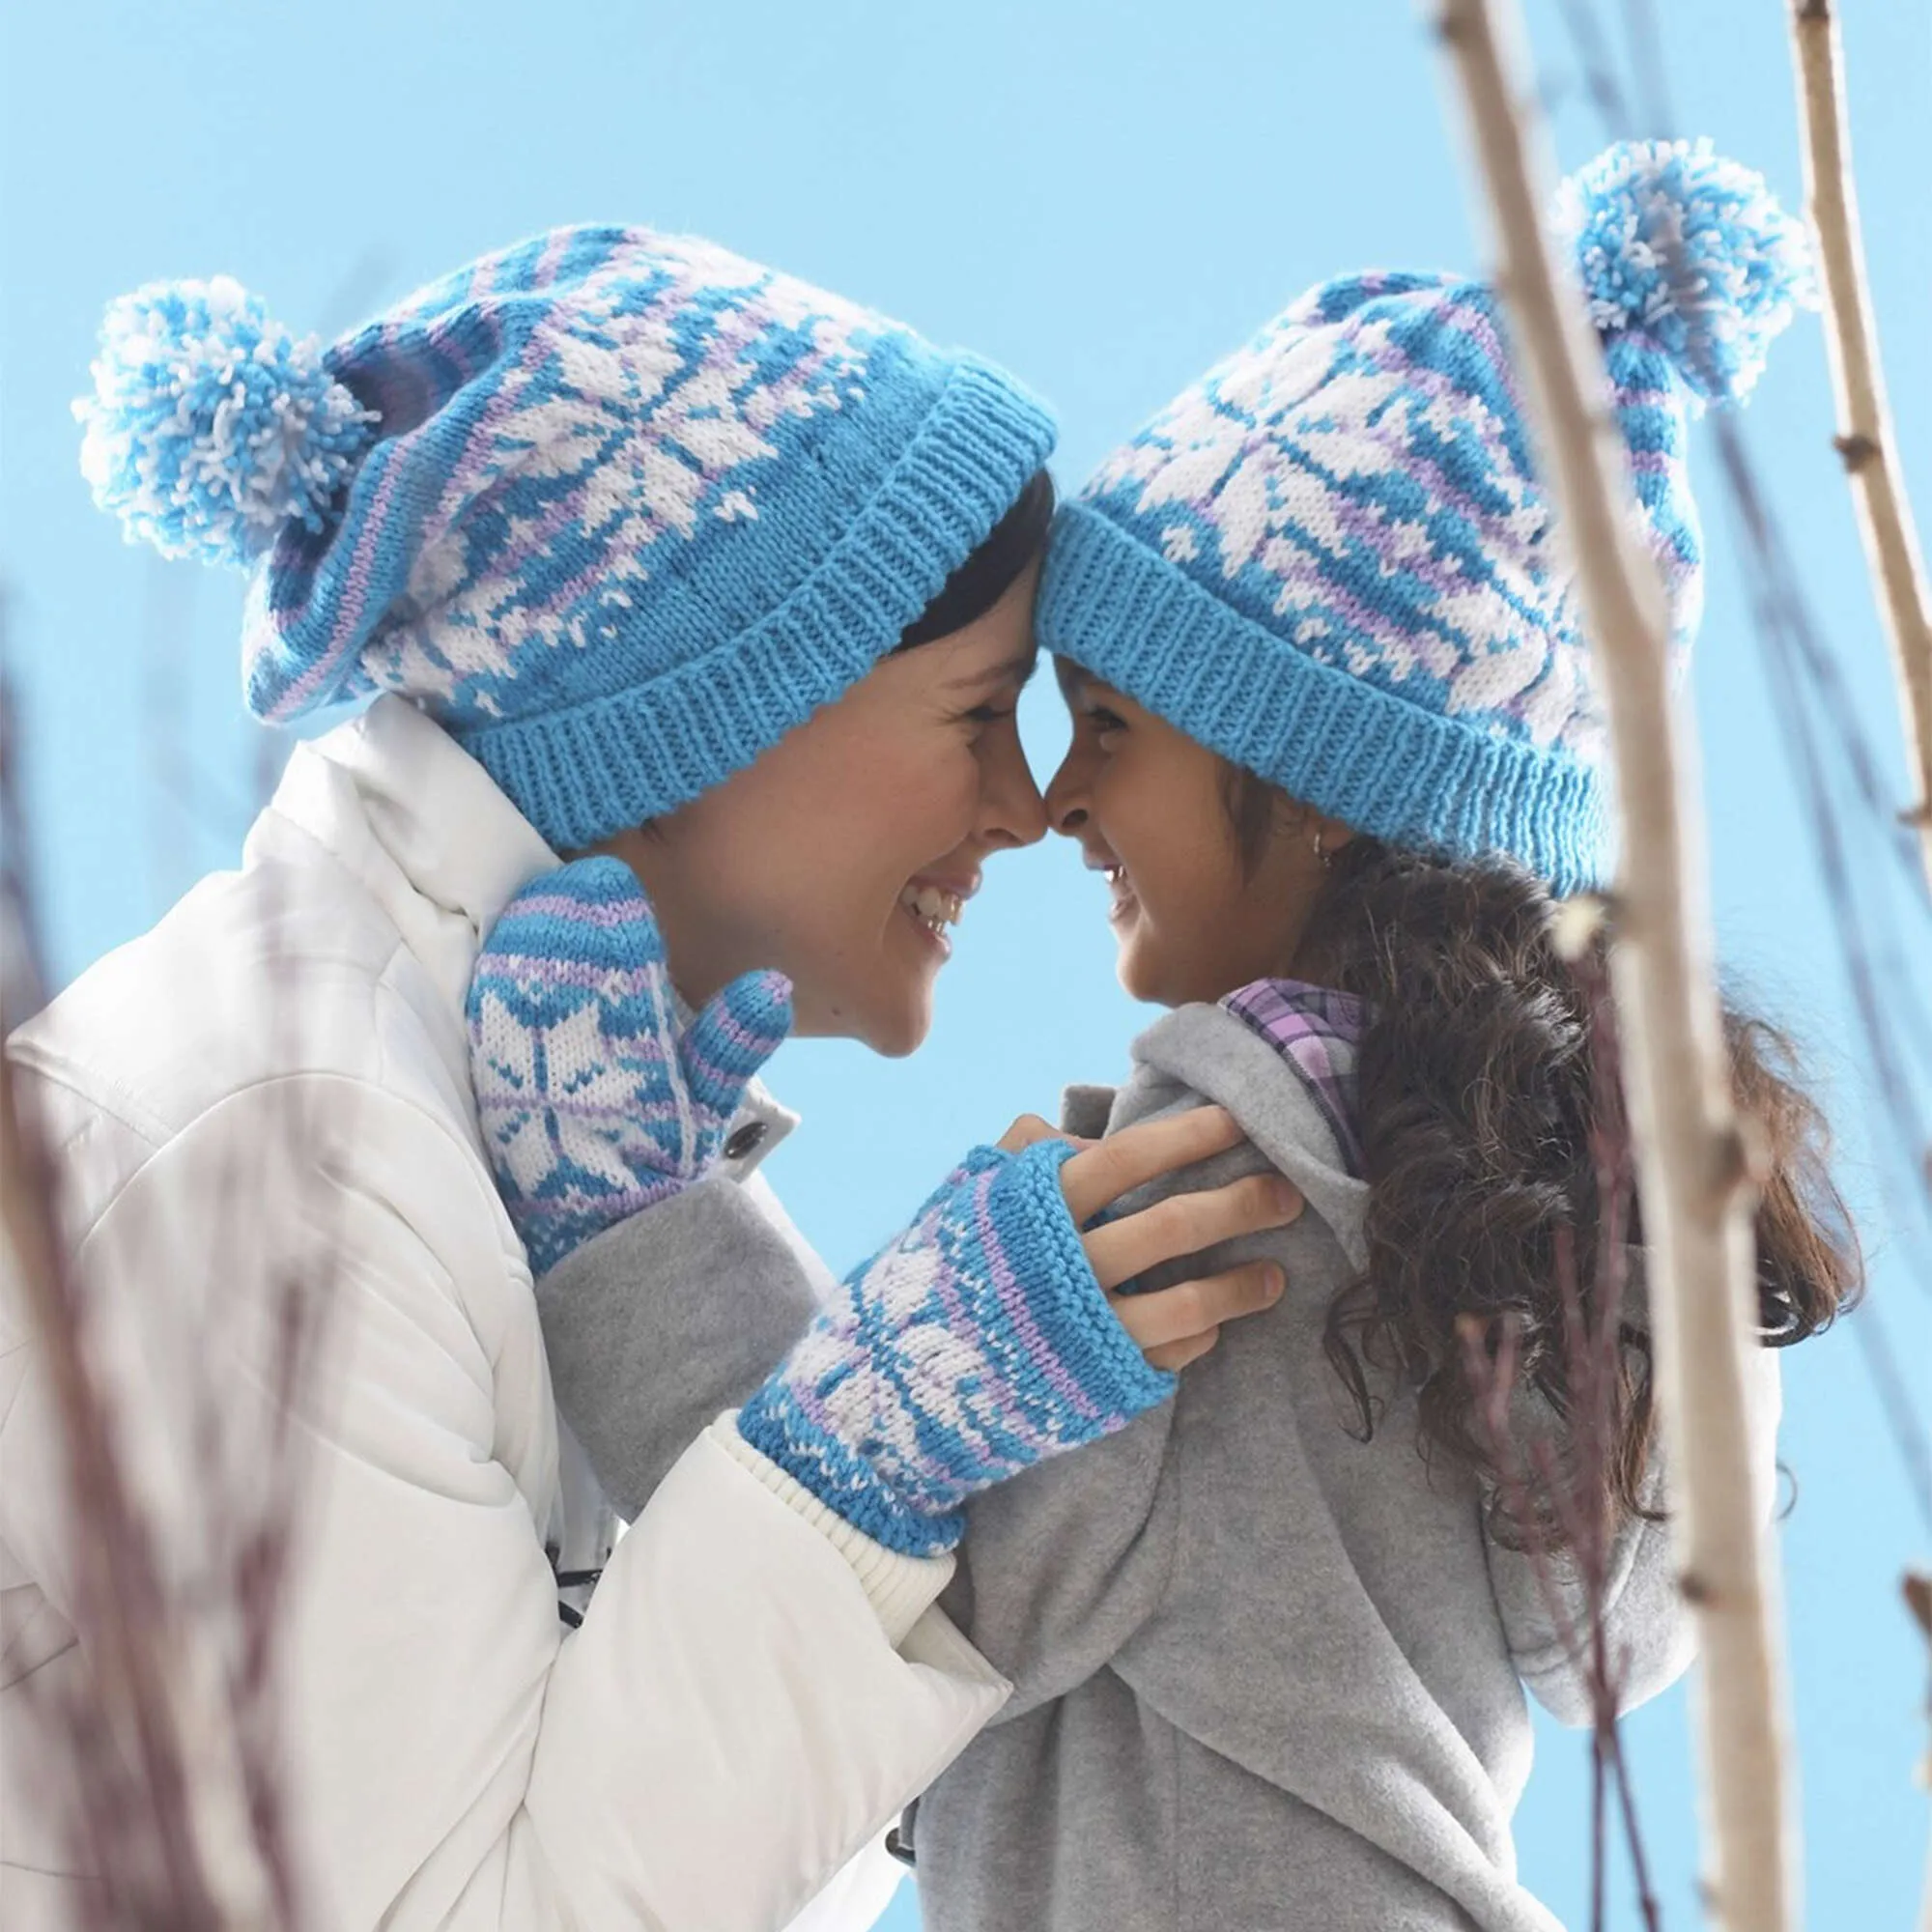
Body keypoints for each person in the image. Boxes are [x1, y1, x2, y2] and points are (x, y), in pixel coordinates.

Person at [0, 226, 1293, 1931]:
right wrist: (854, 1465)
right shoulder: (293, 1165)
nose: (1020, 804)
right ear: (720, 706)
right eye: (978, 712)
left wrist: (677, 1293)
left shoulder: (546, 1125)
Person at [902, 139, 1863, 1930]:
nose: (1059, 799)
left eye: (1111, 726)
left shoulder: (1225, 1157)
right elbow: (1617, 1644)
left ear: (1317, 779)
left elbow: (951, 1630)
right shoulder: (1533, 1202)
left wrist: (706, 1255)